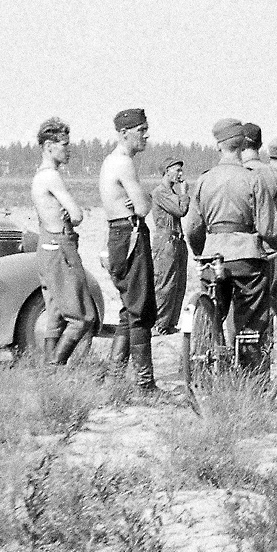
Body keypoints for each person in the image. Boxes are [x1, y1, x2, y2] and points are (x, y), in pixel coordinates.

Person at [186, 119, 277, 370]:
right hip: (246, 256)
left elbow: (193, 228)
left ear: (219, 146)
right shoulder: (252, 179)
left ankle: (206, 367)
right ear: (241, 146)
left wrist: (202, 251)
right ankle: (251, 376)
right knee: (251, 318)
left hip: (212, 257)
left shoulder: (205, 180)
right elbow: (267, 228)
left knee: (213, 312)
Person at [29, 118, 101, 365]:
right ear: (49, 146)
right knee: (83, 317)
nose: (68, 149)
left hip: (46, 247)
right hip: (61, 247)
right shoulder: (51, 177)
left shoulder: (39, 176)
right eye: (64, 144)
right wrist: (73, 214)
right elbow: (78, 215)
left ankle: (49, 371)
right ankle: (54, 368)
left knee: (55, 314)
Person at [98, 108, 159, 390]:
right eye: (141, 129)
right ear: (124, 133)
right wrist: (143, 197)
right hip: (130, 233)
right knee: (141, 309)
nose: (146, 134)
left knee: (129, 307)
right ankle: (144, 385)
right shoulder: (123, 163)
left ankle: (114, 378)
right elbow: (145, 207)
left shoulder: (112, 161)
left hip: (120, 234)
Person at [241, 125, 277, 310]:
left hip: (236, 251)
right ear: (260, 144)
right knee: (270, 304)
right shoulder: (276, 178)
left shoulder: (231, 173)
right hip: (270, 250)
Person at [150, 157, 190, 336]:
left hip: (177, 241)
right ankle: (159, 323)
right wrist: (184, 193)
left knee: (178, 283)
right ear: (166, 171)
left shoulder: (170, 192)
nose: (180, 174)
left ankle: (170, 323)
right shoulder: (161, 192)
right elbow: (180, 210)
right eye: (177, 170)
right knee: (165, 282)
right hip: (166, 241)